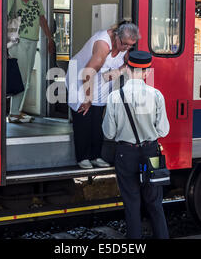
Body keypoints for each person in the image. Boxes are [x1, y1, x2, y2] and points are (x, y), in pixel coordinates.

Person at [102, 51, 170, 239]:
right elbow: (163, 131)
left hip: (125, 153)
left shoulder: (115, 97)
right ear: (147, 72)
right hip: (151, 153)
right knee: (155, 203)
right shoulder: (156, 95)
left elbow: (108, 133)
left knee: (132, 204)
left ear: (128, 70)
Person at [65, 21, 140, 169]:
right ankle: (83, 157)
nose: (127, 48)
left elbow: (124, 67)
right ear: (117, 37)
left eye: (131, 45)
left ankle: (96, 156)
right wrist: (87, 98)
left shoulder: (125, 46)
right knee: (84, 116)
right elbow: (87, 73)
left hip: (100, 79)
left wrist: (123, 69)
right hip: (81, 77)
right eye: (125, 44)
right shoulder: (103, 45)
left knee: (97, 120)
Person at [7, 0, 55, 123]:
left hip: (33, 41)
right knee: (19, 77)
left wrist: (49, 39)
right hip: (17, 40)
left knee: (26, 78)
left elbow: (42, 19)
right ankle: (13, 113)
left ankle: (16, 111)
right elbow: (2, 17)